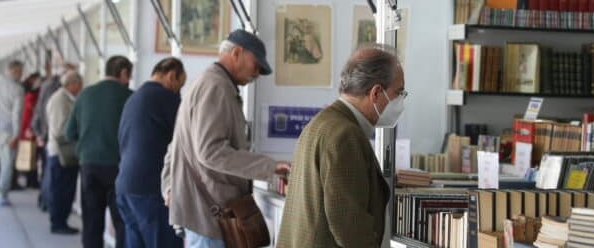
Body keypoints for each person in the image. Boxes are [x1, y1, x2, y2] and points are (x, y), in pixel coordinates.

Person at [163, 29, 290, 248]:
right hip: (209, 217)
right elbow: (211, 151)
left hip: (203, 213)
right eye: (256, 65)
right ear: (237, 53)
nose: (257, 73)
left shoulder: (206, 82)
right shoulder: (216, 87)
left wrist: (168, 186)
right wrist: (269, 166)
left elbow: (176, 144)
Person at [277, 45, 406, 248]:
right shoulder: (346, 135)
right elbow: (350, 227)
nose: (401, 100)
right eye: (399, 92)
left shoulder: (322, 122)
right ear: (376, 93)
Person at [116, 58, 186, 248]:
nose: (178, 92)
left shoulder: (134, 97)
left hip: (125, 186)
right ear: (172, 76)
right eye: (180, 85)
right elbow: (188, 137)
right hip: (150, 188)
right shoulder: (164, 97)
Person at [65, 56, 133, 248]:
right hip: (119, 168)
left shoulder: (85, 95)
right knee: (121, 222)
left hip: (89, 165)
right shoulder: (129, 97)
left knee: (92, 221)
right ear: (124, 73)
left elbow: (69, 133)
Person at [32, 62, 77, 211]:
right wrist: (42, 133)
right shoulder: (57, 95)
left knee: (51, 177)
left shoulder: (55, 90)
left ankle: (47, 203)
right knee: (55, 181)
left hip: (51, 139)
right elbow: (56, 125)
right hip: (58, 146)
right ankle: (50, 207)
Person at [46, 71, 83, 235]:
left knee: (64, 188)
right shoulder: (60, 100)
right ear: (72, 84)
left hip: (62, 151)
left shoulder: (64, 98)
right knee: (60, 188)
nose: (80, 89)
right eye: (79, 85)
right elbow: (60, 129)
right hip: (60, 152)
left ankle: (61, 221)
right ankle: (58, 222)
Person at [0, 60, 25, 206]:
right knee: (6, 165)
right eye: (21, 72)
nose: (22, 75)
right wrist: (16, 134)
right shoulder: (17, 89)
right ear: (15, 71)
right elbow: (17, 113)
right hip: (7, 132)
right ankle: (3, 195)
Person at [17, 72, 42, 189]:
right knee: (32, 156)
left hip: (26, 130)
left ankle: (30, 179)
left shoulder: (27, 97)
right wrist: (30, 129)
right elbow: (28, 116)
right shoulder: (31, 98)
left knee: (31, 156)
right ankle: (31, 180)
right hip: (28, 131)